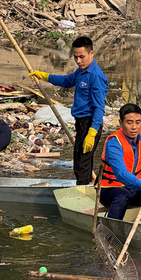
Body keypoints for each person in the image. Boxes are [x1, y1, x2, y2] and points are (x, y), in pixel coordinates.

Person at [29, 36, 108, 185]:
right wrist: (45, 76)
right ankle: (89, 186)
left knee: (82, 163)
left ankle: (83, 192)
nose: (78, 61)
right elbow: (66, 81)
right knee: (80, 159)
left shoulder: (96, 76)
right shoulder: (81, 72)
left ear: (91, 54)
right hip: (80, 122)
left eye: (82, 57)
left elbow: (99, 107)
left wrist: (92, 131)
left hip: (90, 123)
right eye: (76, 57)